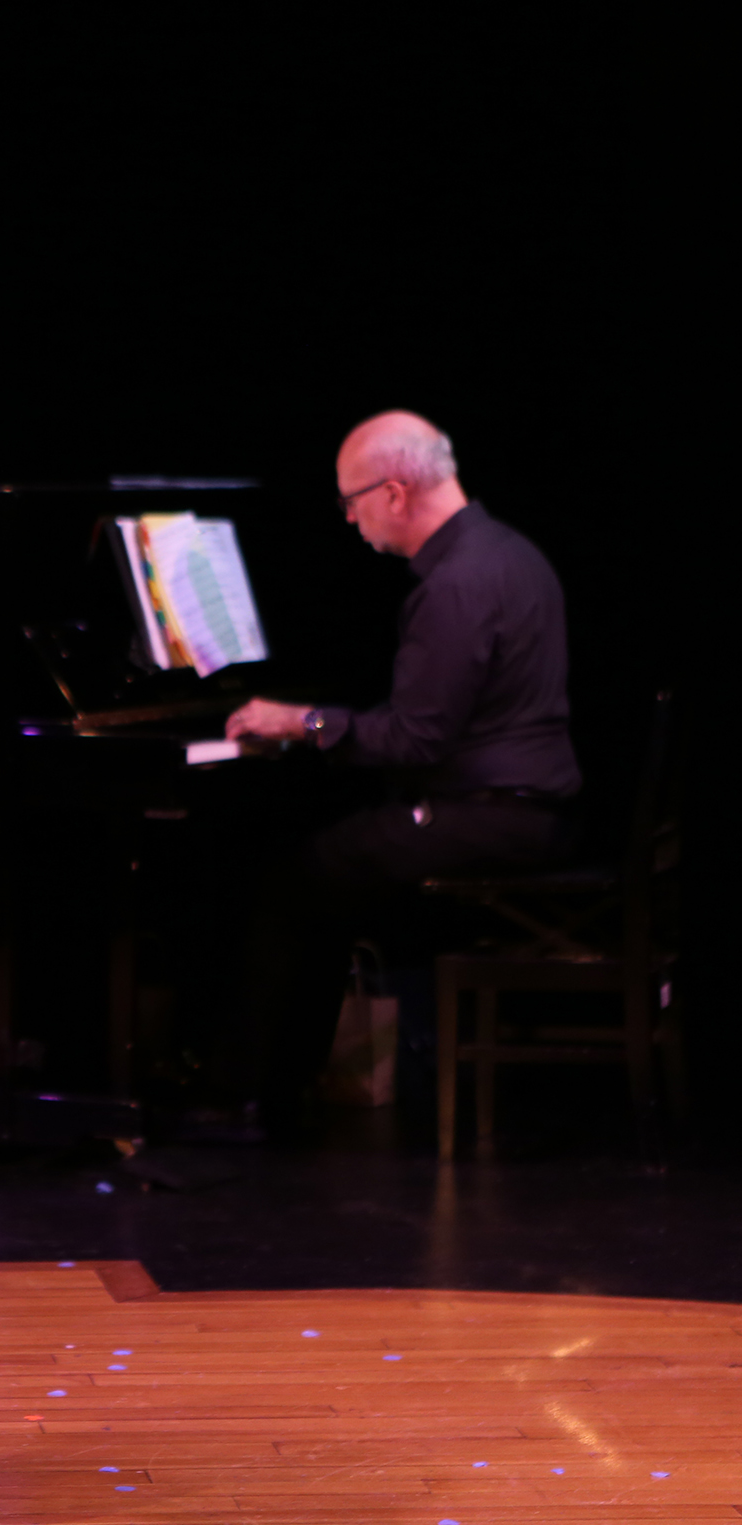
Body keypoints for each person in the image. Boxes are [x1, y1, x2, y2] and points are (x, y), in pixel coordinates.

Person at [224, 410, 581, 1130]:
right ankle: (290, 1083)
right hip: (532, 812)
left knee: (298, 879)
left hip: (492, 818)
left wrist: (304, 723)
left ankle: (256, 1100)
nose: (348, 519)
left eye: (350, 501)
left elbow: (416, 740)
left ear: (393, 492)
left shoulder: (457, 583)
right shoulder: (511, 552)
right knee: (328, 864)